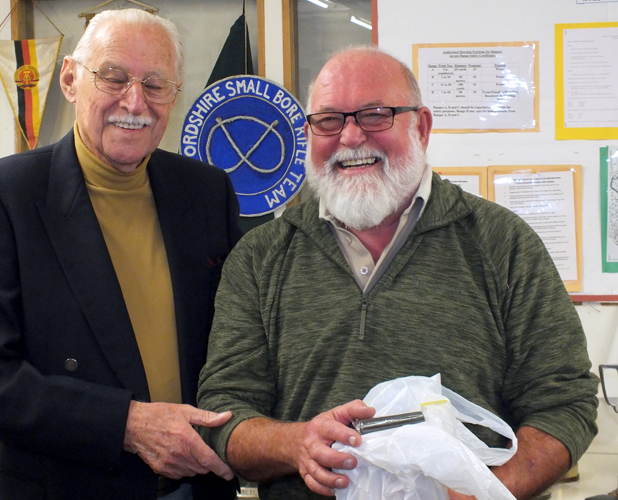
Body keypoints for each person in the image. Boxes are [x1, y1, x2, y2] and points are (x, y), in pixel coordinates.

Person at [196, 45, 598, 500]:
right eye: (329, 120)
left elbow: (564, 403)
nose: (350, 138)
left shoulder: (502, 243)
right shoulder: (260, 256)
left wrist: (485, 493)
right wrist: (296, 444)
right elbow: (223, 411)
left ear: (422, 127)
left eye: (375, 115)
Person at [0, 9, 241, 500]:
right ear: (69, 80)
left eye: (155, 84)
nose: (134, 101)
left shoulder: (207, 192)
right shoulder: (4, 195)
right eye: (115, 77)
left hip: (198, 486)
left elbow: (235, 342)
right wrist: (127, 423)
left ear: (175, 93)